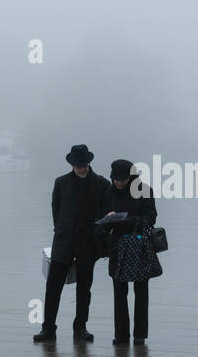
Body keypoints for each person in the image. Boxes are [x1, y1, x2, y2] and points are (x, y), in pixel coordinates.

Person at [34, 144, 108, 343]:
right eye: (77, 165)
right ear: (72, 164)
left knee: (84, 287)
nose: (81, 168)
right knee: (53, 286)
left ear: (89, 163)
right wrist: (60, 230)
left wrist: (97, 234)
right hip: (63, 240)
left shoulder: (101, 184)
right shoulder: (61, 182)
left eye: (83, 164)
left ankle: (80, 328)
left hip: (88, 242)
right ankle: (48, 329)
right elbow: (55, 209)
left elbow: (105, 212)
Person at [98, 158, 158, 346]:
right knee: (119, 292)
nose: (119, 183)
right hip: (117, 246)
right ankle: (121, 335)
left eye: (122, 179)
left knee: (141, 291)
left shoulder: (145, 190)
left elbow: (151, 218)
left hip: (140, 245)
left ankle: (140, 335)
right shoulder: (108, 191)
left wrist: (126, 220)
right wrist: (106, 222)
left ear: (131, 177)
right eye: (116, 179)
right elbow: (102, 217)